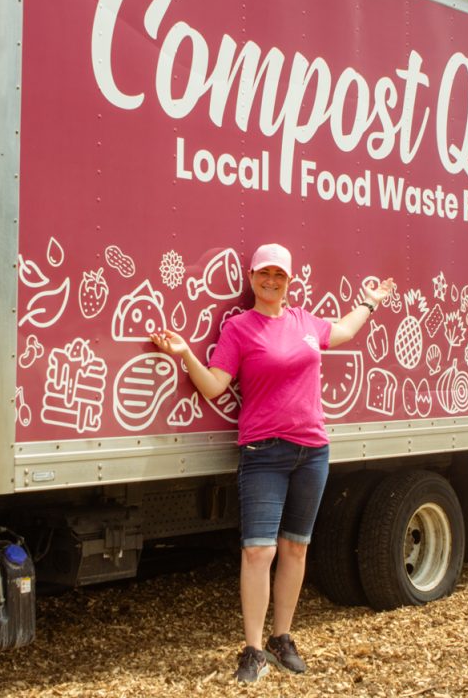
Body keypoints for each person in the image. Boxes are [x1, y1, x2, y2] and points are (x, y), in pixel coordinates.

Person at [150, 243, 396, 683]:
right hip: (263, 452)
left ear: (289, 280)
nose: (271, 281)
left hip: (312, 451)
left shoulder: (305, 322)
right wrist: (186, 353)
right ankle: (254, 650)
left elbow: (342, 331)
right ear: (251, 278)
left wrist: (369, 304)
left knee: (295, 548)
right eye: (264, 273)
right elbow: (212, 386)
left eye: (279, 275)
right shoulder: (240, 329)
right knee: (258, 551)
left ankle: (283, 638)